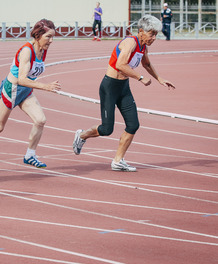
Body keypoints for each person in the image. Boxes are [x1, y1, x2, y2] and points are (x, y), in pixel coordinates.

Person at [72, 15, 175, 172]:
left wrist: (160, 78)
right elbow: (121, 64)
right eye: (151, 34)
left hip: (123, 88)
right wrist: (140, 78)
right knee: (107, 129)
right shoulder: (130, 42)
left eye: (156, 34)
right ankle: (82, 135)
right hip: (110, 87)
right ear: (141, 31)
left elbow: (146, 64)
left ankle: (118, 161)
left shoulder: (143, 47)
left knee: (133, 125)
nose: (154, 38)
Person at [0, 19, 61, 174]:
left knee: (40, 120)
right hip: (12, 89)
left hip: (25, 91)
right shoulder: (27, 50)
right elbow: (21, 79)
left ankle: (30, 155)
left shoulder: (43, 49)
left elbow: (28, 79)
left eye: (53, 37)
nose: (51, 41)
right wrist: (45, 86)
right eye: (48, 37)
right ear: (38, 35)